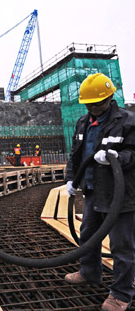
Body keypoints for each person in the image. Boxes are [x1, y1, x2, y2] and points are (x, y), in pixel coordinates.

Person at [64, 73, 135, 311]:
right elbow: (76, 154)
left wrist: (118, 158)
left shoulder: (127, 121)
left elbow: (133, 154)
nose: (93, 108)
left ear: (109, 97)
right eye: (89, 105)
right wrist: (71, 179)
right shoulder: (84, 122)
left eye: (97, 104)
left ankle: (121, 294)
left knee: (121, 246)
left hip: (120, 196)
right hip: (93, 190)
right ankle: (90, 272)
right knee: (88, 236)